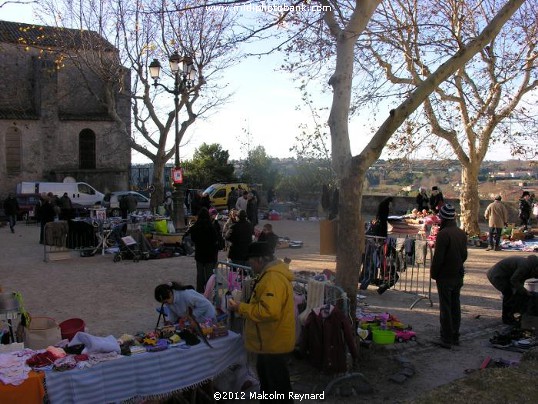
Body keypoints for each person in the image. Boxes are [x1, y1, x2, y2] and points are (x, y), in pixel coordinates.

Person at [228, 242, 295, 402]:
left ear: (259, 260)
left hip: (272, 343)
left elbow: (268, 311)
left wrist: (240, 307)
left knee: (275, 388)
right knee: (274, 386)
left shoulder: (272, 278)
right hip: (270, 341)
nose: (250, 266)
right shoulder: (269, 276)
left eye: (251, 262)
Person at [430, 204, 468, 349]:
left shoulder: (444, 234)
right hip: (458, 274)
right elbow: (464, 255)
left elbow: (438, 258)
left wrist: (434, 273)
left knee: (445, 307)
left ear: (443, 218)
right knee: (455, 305)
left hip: (445, 275)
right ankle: (455, 335)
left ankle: (446, 337)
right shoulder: (460, 233)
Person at [487, 255, 538, 325]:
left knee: (517, 294)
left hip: (506, 275)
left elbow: (520, 280)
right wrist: (524, 291)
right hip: (497, 276)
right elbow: (514, 280)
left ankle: (514, 314)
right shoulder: (525, 266)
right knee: (508, 294)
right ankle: (507, 318)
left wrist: (522, 291)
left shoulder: (530, 266)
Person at [185, 207, 220, 292]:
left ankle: (200, 290)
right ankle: (209, 290)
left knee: (200, 274)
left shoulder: (195, 227)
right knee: (209, 274)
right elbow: (215, 239)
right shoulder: (211, 227)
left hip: (199, 253)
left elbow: (193, 239)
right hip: (209, 253)